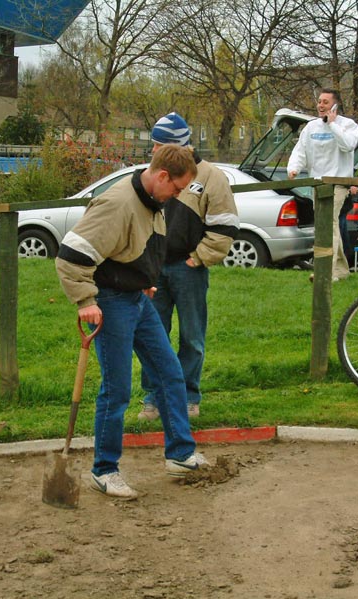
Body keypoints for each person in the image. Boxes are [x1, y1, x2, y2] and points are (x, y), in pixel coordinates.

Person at [55, 144, 208, 500]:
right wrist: (85, 301)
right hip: (110, 302)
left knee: (170, 373)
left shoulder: (154, 200)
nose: (178, 195)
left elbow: (137, 245)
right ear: (162, 176)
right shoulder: (118, 203)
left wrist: (146, 276)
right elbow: (69, 255)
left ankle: (180, 454)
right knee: (118, 388)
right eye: (177, 188)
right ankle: (104, 470)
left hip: (138, 299)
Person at [138, 113, 239, 421]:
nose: (153, 151)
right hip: (154, 269)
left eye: (158, 145)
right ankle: (153, 399)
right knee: (153, 335)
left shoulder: (210, 177)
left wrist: (201, 256)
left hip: (188, 268)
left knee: (192, 336)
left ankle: (188, 397)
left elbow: (226, 223)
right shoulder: (152, 176)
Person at [287, 89, 358, 281]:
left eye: (326, 102)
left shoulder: (349, 125)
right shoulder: (311, 128)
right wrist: (294, 168)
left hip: (338, 184)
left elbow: (348, 145)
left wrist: (333, 124)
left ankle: (325, 271)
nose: (321, 105)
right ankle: (342, 270)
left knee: (328, 225)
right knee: (326, 225)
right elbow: (300, 151)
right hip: (317, 183)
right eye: (319, 101)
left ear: (335, 105)